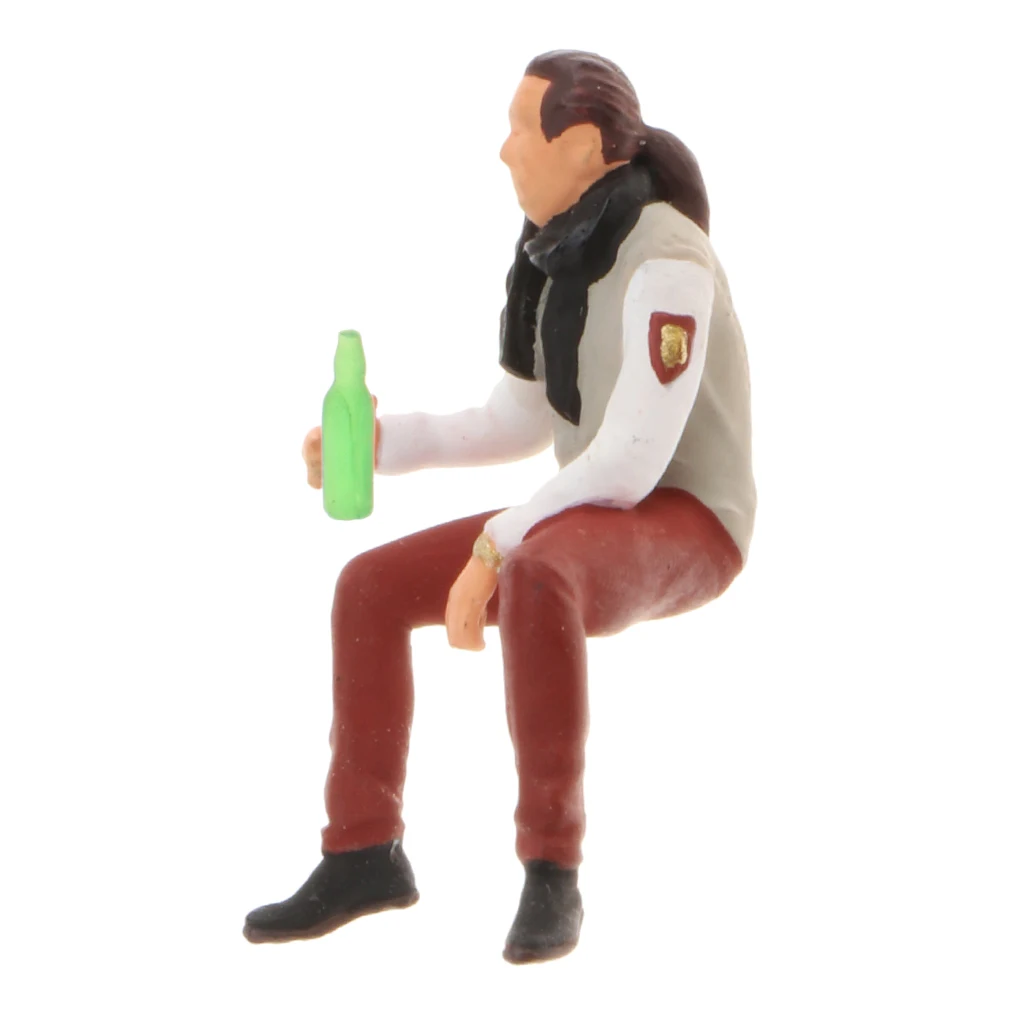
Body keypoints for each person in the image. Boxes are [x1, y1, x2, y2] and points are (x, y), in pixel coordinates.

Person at [244, 49, 756, 965]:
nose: (505, 150)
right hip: (591, 505)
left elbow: (634, 459)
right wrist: (381, 443)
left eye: (524, 129)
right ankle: (363, 852)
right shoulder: (551, 255)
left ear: (585, 145)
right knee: (368, 587)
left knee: (537, 573)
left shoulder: (667, 258)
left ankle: (551, 870)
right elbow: (515, 419)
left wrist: (495, 547)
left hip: (690, 517)